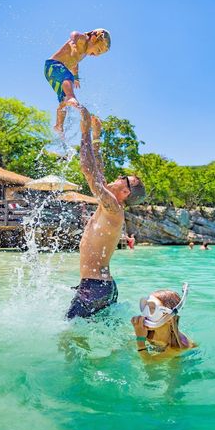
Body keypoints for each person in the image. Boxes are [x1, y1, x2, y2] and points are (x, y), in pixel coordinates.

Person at [66, 109, 146, 319]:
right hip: (100, 286)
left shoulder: (112, 207)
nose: (118, 176)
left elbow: (88, 171)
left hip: (94, 287)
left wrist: (84, 133)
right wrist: (97, 138)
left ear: (126, 192)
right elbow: (98, 171)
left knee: (68, 340)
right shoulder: (110, 205)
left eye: (123, 177)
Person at [44, 29, 111, 133]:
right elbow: (74, 34)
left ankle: (59, 125)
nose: (96, 55)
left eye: (99, 54)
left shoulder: (83, 53)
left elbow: (75, 63)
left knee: (63, 101)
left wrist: (76, 77)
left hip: (54, 73)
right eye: (98, 50)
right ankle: (71, 96)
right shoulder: (82, 39)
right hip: (53, 65)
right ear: (93, 39)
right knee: (68, 78)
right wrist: (73, 44)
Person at [131, 284, 195, 359]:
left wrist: (140, 340)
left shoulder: (176, 347)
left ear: (169, 318)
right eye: (145, 306)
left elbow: (149, 364)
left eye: (152, 308)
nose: (145, 313)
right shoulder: (148, 332)